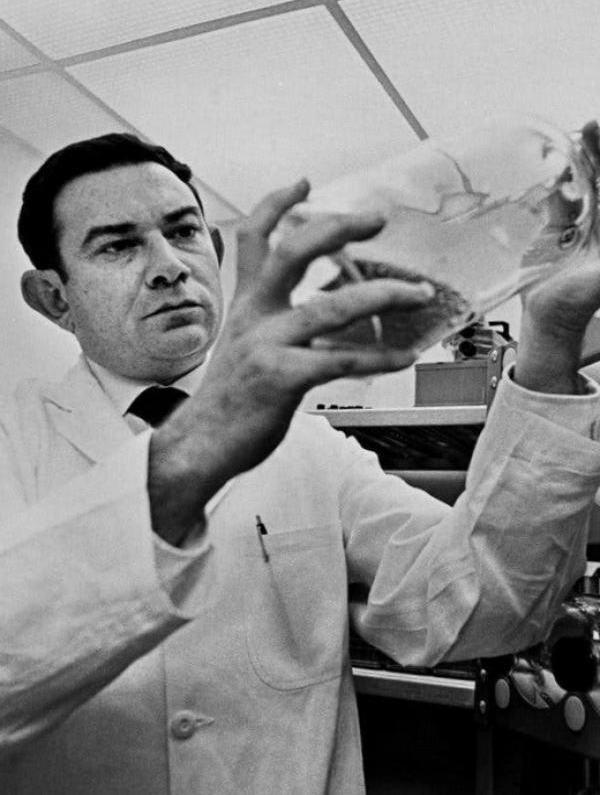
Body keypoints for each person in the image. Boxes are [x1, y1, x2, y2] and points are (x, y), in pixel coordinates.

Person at [1, 131, 600, 795]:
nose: (169, 264)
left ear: (217, 250)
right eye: (118, 245)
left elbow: (486, 601)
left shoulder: (311, 447)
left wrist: (551, 341)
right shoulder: (11, 444)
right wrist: (199, 447)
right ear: (55, 297)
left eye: (184, 231)